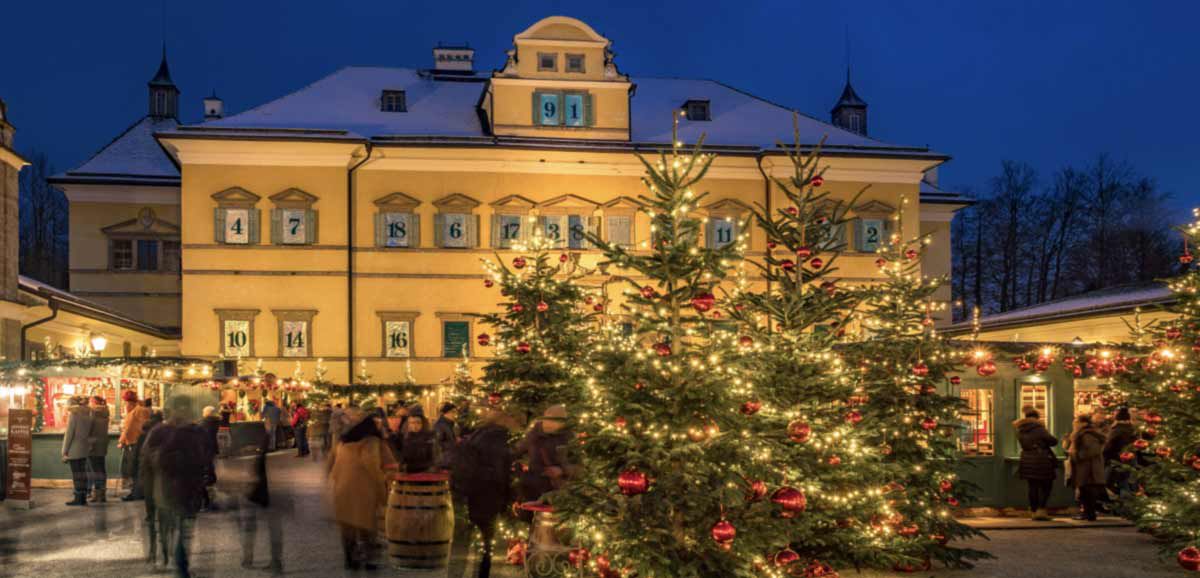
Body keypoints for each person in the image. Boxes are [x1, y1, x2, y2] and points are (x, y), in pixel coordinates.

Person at [142, 395, 209, 578]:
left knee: (172, 525)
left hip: (165, 487)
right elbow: (204, 458)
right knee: (183, 528)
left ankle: (170, 559)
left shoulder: (159, 432)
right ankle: (180, 566)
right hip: (188, 487)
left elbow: (147, 460)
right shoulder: (195, 432)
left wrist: (147, 489)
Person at [327, 408, 398, 570]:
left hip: (342, 488)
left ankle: (350, 559)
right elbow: (371, 463)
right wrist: (382, 487)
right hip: (364, 488)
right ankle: (369, 560)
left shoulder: (344, 441)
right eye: (377, 423)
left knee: (348, 526)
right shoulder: (371, 441)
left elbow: (331, 460)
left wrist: (333, 478)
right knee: (367, 525)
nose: (380, 425)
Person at [451, 409, 518, 578]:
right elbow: (499, 471)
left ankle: (460, 572)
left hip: (472, 491)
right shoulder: (500, 439)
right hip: (489, 492)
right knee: (487, 540)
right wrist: (508, 496)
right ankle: (482, 573)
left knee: (469, 539)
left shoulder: (478, 434)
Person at [229, 425, 285, 575]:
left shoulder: (245, 449)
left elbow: (245, 473)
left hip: (254, 493)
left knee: (250, 526)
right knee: (272, 528)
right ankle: (275, 561)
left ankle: (249, 558)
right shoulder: (269, 445)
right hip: (269, 492)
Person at [517, 404, 574, 503]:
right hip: (532, 488)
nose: (549, 423)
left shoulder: (569, 438)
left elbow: (580, 466)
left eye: (555, 421)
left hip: (556, 491)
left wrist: (562, 470)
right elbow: (516, 451)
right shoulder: (533, 435)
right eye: (547, 419)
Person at [1014, 407, 1058, 520]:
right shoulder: (1039, 429)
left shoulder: (1020, 429)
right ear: (1037, 418)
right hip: (1042, 460)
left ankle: (1033, 511)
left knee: (1032, 486)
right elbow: (1053, 441)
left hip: (1027, 459)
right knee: (1047, 486)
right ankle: (1041, 511)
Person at [1068, 414, 1107, 521]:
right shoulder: (1083, 434)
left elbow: (1092, 450)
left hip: (1088, 468)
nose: (1074, 424)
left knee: (1087, 491)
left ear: (1083, 423)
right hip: (1086, 467)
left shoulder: (1086, 435)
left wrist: (1077, 455)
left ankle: (1089, 513)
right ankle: (1087, 513)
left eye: (1076, 422)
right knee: (1085, 490)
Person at [118, 391, 151, 501]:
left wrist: (121, 441)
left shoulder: (137, 412)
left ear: (130, 403)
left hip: (135, 442)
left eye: (125, 404)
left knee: (134, 468)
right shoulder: (139, 411)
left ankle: (136, 492)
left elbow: (129, 428)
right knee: (136, 468)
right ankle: (138, 491)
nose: (124, 406)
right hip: (137, 442)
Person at [62, 396, 94, 507]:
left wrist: (64, 450)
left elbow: (69, 434)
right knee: (82, 473)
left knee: (76, 474)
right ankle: (83, 497)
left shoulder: (74, 415)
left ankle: (78, 498)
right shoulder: (88, 414)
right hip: (84, 448)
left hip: (74, 449)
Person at [1103, 407, 1138, 499]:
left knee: (1109, 481)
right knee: (1126, 481)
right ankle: (1130, 501)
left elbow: (1108, 447)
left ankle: (1122, 502)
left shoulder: (1116, 430)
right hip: (1131, 459)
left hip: (1115, 460)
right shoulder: (1133, 430)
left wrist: (1104, 457)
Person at [400, 406, 439, 473]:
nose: (415, 426)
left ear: (423, 423)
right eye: (412, 423)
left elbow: (434, 457)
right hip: (409, 474)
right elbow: (402, 458)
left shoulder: (430, 437)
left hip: (426, 474)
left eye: (418, 423)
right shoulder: (405, 437)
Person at [87, 396, 111, 503]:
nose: (90, 403)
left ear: (95, 402)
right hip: (102, 444)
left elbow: (89, 429)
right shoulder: (105, 412)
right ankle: (102, 495)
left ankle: (97, 495)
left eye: (91, 401)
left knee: (95, 470)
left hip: (93, 444)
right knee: (101, 469)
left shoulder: (92, 413)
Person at [199, 406, 222, 511]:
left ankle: (208, 503)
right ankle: (211, 501)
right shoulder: (213, 422)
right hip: (210, 450)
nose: (202, 413)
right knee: (208, 473)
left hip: (205, 451)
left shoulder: (206, 423)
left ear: (207, 413)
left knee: (206, 474)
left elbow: (204, 438)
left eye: (203, 411)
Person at [434, 402, 459, 470]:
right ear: (447, 412)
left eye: (456, 412)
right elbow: (437, 444)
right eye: (453, 412)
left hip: (448, 459)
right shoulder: (440, 425)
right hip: (444, 462)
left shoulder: (449, 424)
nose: (455, 414)